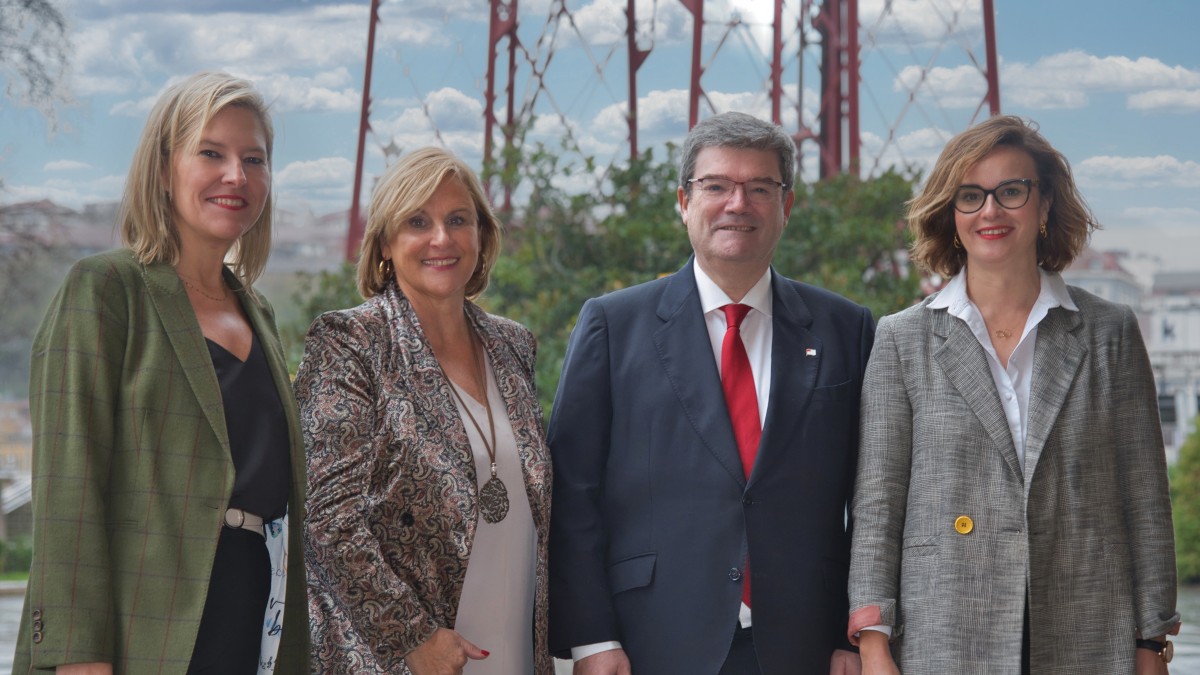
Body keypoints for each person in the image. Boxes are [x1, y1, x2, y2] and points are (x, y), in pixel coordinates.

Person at [847, 115, 1180, 674]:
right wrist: (874, 645)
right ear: (951, 216)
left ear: (1045, 204)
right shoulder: (902, 338)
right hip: (945, 627)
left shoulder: (1109, 331)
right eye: (970, 196)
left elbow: (1145, 500)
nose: (991, 211)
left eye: (1012, 191)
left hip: (1088, 628)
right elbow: (878, 505)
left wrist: (1152, 641)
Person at [547, 111, 872, 675]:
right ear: (683, 201)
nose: (737, 203)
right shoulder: (613, 324)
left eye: (760, 188)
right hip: (651, 639)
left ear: (786, 206)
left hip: (807, 646)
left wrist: (855, 632)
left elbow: (870, 497)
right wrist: (590, 638)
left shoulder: (846, 328)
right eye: (716, 185)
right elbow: (573, 492)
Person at [12, 72, 310, 674]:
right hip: (145, 632)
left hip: (255, 618)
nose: (237, 175)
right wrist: (77, 657)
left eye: (255, 158)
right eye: (211, 153)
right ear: (163, 166)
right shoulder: (106, 291)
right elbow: (71, 490)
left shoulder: (261, 314)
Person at [297, 146, 553, 675]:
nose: (442, 238)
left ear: (481, 237)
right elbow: (325, 516)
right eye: (418, 221)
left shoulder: (512, 346)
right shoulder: (351, 341)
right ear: (386, 243)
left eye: (458, 220)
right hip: (404, 658)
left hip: (513, 649)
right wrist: (412, 637)